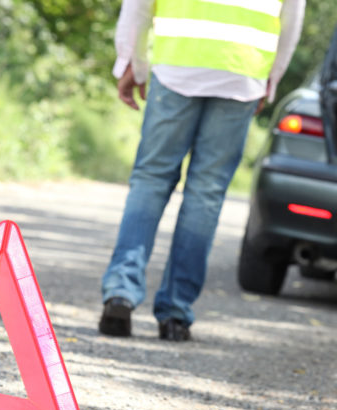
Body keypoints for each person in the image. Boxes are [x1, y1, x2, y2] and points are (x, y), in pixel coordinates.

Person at [100, 0, 306, 341]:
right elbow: (291, 19)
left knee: (151, 180)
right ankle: (176, 314)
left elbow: (138, 6)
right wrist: (269, 79)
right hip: (241, 71)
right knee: (206, 194)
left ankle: (120, 293)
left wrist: (131, 63)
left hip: (178, 64)